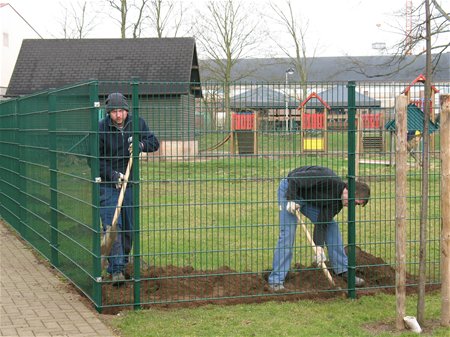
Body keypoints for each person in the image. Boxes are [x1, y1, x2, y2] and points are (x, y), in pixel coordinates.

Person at [268, 166, 370, 291]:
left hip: (308, 199)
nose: (352, 206)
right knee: (288, 233)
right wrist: (291, 199)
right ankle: (276, 281)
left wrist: (319, 247)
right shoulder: (327, 179)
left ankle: (343, 270)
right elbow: (294, 179)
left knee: (331, 227)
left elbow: (322, 222)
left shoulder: (337, 203)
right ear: (348, 191)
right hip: (290, 190)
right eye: (354, 202)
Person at [99, 92, 159, 286]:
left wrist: (140, 145)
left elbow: (154, 143)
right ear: (108, 113)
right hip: (109, 185)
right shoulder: (101, 129)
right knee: (113, 225)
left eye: (121, 111)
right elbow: (95, 160)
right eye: (114, 112)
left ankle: (123, 264)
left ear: (126, 110)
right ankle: (115, 270)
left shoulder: (137, 123)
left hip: (130, 183)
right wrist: (113, 175)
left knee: (128, 226)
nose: (118, 115)